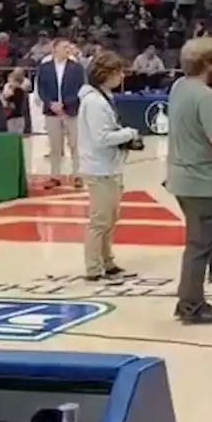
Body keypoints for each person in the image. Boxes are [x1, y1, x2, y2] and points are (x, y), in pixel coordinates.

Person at [167, 37, 212, 325]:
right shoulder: (205, 96)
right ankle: (192, 305)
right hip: (203, 180)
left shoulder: (179, 87)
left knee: (194, 242)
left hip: (180, 176)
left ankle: (187, 298)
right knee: (200, 246)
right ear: (208, 64)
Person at [76, 50, 141, 283]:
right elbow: (101, 137)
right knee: (100, 219)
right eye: (118, 72)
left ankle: (107, 261)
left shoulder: (104, 97)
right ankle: (93, 267)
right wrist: (128, 133)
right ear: (107, 74)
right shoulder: (94, 102)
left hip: (110, 166)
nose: (122, 76)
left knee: (110, 217)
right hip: (98, 168)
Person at [36, 39, 85, 187]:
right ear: (55, 49)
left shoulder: (76, 68)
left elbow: (80, 89)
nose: (68, 49)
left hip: (71, 110)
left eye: (69, 47)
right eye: (64, 47)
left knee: (75, 144)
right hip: (51, 111)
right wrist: (50, 103)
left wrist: (65, 103)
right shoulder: (44, 68)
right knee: (55, 145)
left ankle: (78, 175)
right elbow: (41, 88)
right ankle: (55, 175)